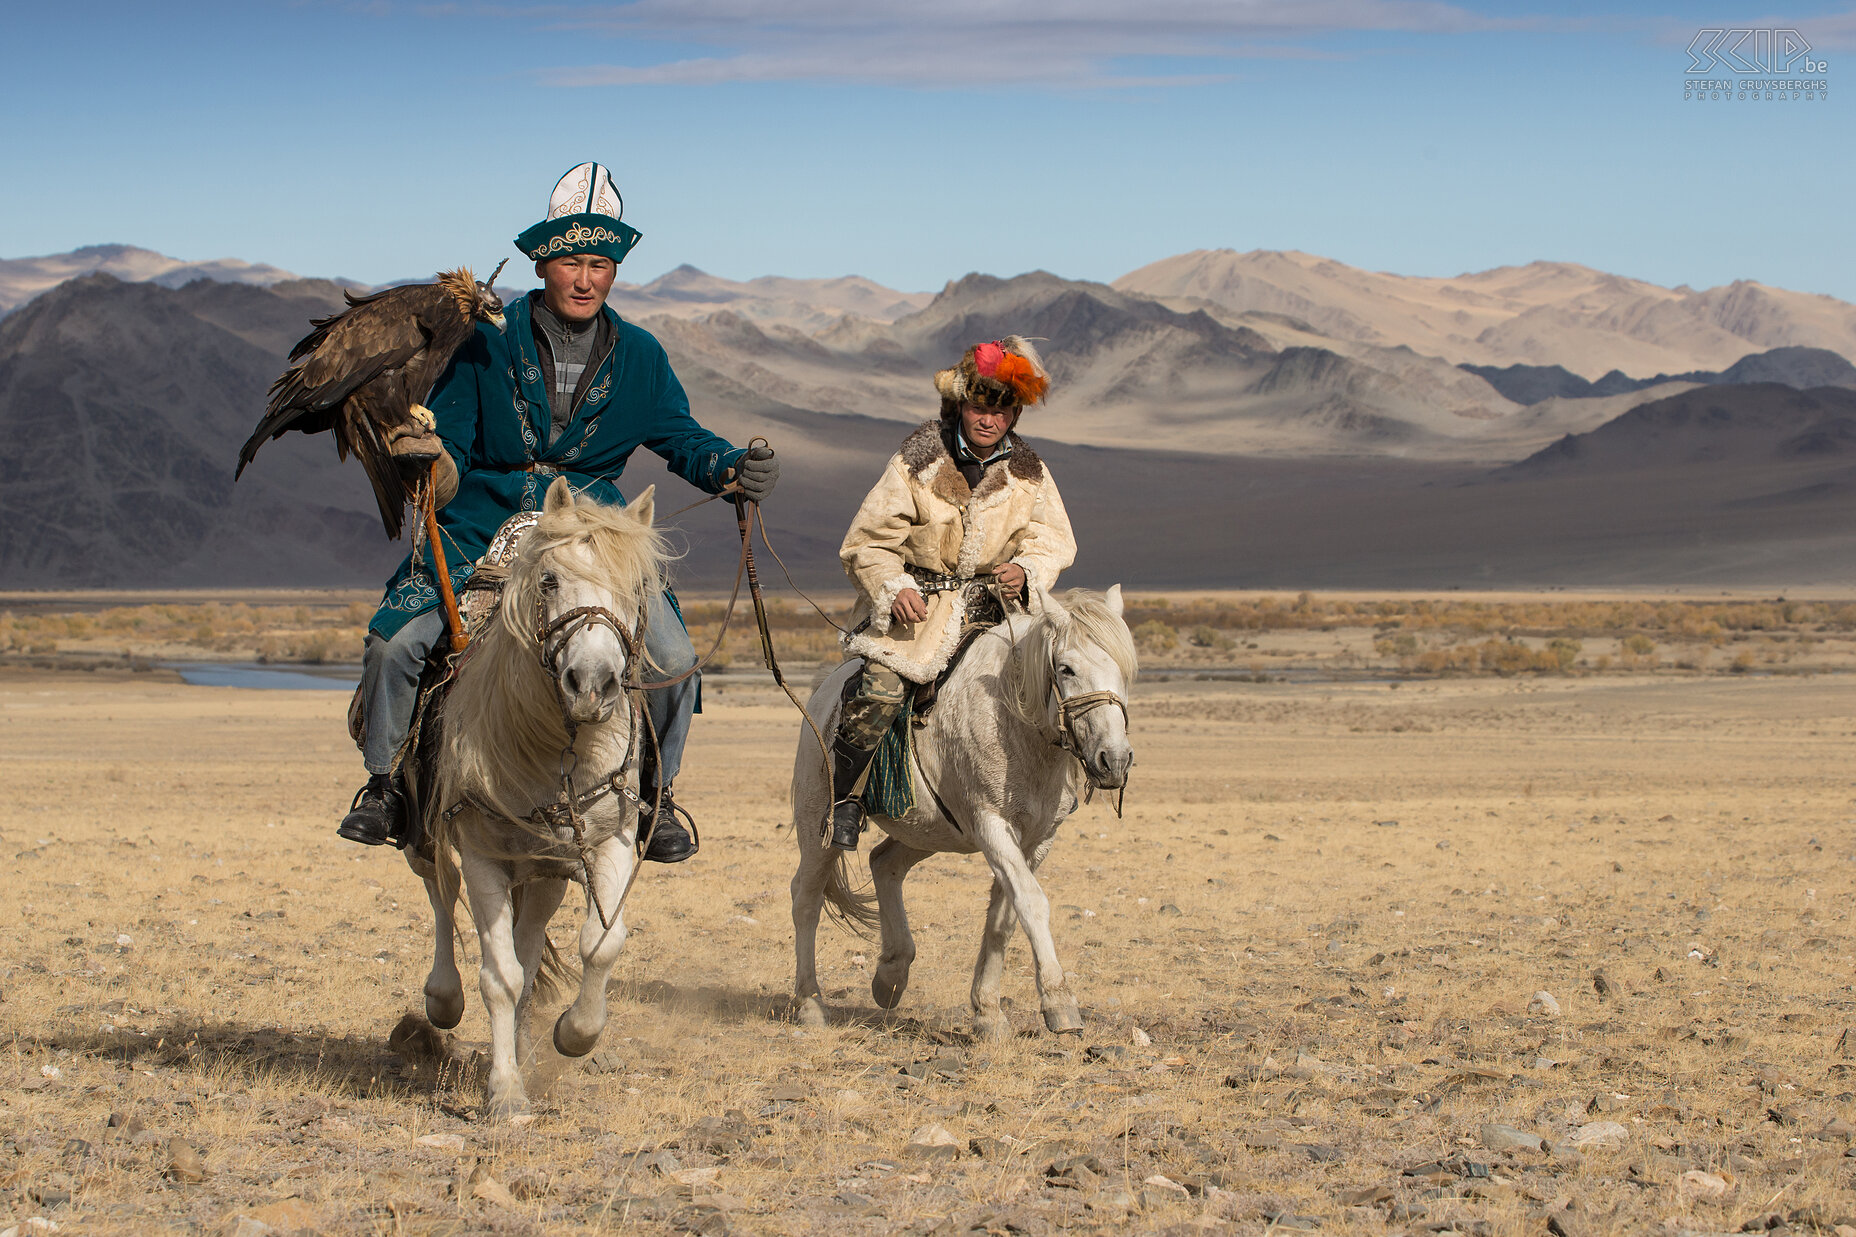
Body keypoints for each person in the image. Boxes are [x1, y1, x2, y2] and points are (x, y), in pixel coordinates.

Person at [338, 162, 779, 861]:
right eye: (572, 260)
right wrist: (428, 461)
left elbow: (681, 437)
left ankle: (654, 799)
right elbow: (448, 452)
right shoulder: (483, 341)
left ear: (614, 271)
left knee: (676, 660)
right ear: (544, 264)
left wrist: (728, 466)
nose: (585, 277)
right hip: (480, 528)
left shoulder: (639, 355)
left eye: (599, 263)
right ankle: (385, 783)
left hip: (597, 536)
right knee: (396, 642)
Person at [830, 336, 1076, 850]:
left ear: (1013, 416)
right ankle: (847, 799)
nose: (989, 420)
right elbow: (868, 542)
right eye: (980, 407)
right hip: (920, 609)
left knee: (1061, 680)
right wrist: (892, 587)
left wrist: (1027, 572)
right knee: (879, 688)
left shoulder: (1030, 473)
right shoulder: (915, 462)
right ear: (961, 405)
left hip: (998, 610)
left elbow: (1052, 539)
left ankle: (1058, 792)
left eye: (1002, 411)